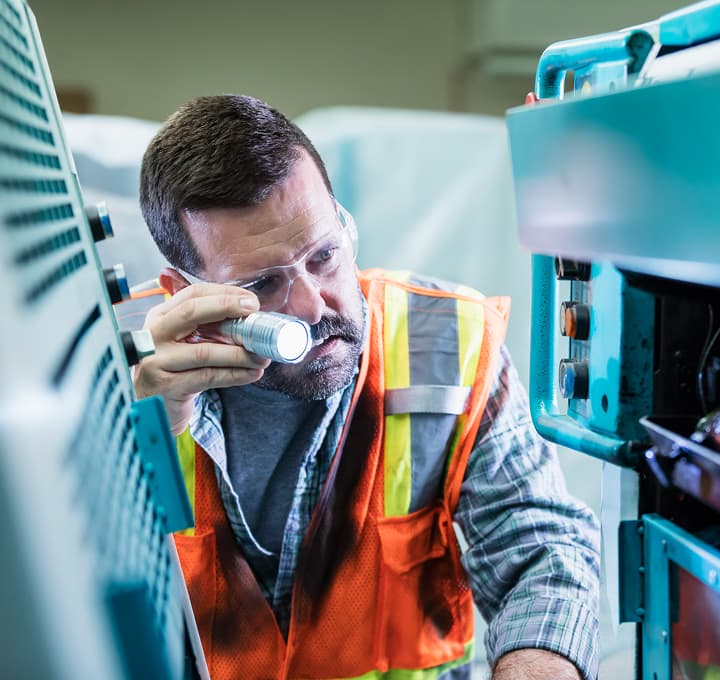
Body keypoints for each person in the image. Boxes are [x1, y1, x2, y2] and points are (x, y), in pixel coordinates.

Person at [134, 94, 600, 680]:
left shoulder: (448, 344)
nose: (313, 305)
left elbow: (539, 550)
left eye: (325, 255)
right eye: (264, 284)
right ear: (185, 293)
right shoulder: (123, 375)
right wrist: (135, 445)